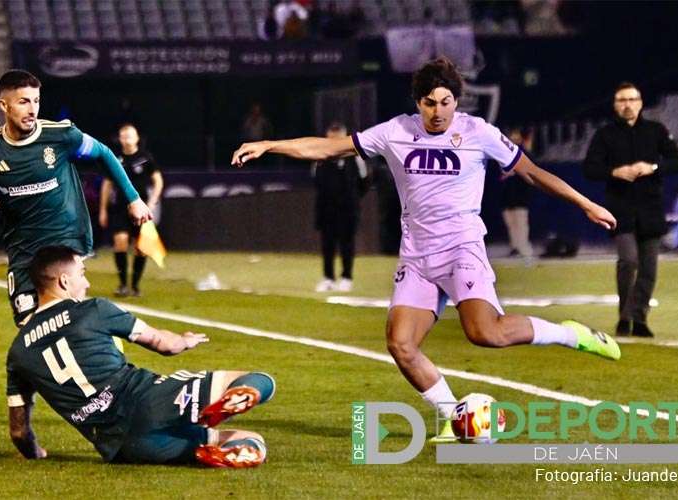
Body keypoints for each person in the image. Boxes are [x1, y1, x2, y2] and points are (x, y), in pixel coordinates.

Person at [232, 56, 621, 441]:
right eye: (430, 103)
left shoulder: (479, 132)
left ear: (457, 101)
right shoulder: (395, 131)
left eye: (446, 102)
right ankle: (457, 418)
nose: (438, 111)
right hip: (417, 258)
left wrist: (585, 204)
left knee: (486, 333)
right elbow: (329, 149)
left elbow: (533, 173)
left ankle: (570, 334)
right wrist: (269, 144)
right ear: (417, 102)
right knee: (401, 344)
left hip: (461, 248)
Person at [6, 246, 274, 467]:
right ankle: (242, 394)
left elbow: (19, 431)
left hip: (123, 448)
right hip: (148, 400)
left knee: (239, 439)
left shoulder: (18, 352)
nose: (86, 282)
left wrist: (35, 453)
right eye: (82, 274)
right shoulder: (94, 310)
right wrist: (184, 341)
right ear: (64, 281)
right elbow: (163, 344)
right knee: (261, 380)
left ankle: (211, 451)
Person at [0, 70, 151, 326]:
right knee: (27, 324)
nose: (32, 109)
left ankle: (99, 358)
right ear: (4, 104)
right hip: (22, 245)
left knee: (67, 318)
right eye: (24, 101)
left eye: (36, 100)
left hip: (65, 237)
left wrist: (134, 199)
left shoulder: (60, 135)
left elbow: (103, 153)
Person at [582, 82, 678, 338]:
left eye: (632, 99)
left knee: (649, 269)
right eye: (621, 100)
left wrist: (653, 168)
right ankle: (624, 316)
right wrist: (614, 172)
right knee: (628, 261)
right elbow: (590, 169)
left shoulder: (656, 130)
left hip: (651, 208)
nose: (627, 104)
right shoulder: (605, 135)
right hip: (621, 208)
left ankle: (639, 320)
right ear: (615, 105)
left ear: (640, 102)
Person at [99, 124, 163, 297]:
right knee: (120, 241)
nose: (126, 139)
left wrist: (152, 201)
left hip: (140, 209)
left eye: (130, 136)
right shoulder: (115, 159)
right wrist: (103, 210)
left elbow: (158, 180)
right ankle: (122, 284)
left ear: (136, 138)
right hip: (120, 208)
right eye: (123, 136)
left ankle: (135, 285)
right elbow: (107, 185)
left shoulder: (145, 157)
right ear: (119, 139)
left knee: (141, 248)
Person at [312, 122, 369, 293]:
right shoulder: (320, 159)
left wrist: (351, 199)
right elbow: (316, 182)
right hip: (327, 209)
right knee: (327, 245)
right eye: (331, 140)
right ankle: (328, 278)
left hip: (348, 209)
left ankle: (346, 277)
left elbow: (364, 182)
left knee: (347, 244)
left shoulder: (355, 158)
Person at [500, 128, 534, 264]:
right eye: (511, 135)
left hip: (520, 196)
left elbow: (529, 175)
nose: (513, 137)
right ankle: (515, 247)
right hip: (507, 196)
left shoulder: (523, 154)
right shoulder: (502, 155)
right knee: (511, 223)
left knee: (521, 223)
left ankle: (524, 249)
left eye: (516, 134)